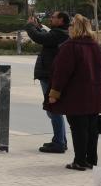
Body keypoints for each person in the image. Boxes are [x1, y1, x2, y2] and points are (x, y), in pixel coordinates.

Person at [44, 14, 101, 170]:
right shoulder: (96, 46)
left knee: (78, 128)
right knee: (92, 128)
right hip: (94, 94)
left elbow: (61, 73)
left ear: (75, 28)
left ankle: (79, 160)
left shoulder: (70, 47)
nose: (69, 29)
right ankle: (91, 159)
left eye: (71, 26)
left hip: (76, 96)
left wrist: (54, 93)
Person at [24, 11, 70, 154]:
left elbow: (39, 38)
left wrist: (30, 26)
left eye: (54, 17)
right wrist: (37, 27)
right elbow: (44, 36)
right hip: (48, 75)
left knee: (53, 109)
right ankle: (60, 139)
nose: (51, 19)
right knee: (53, 110)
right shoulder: (58, 33)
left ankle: (59, 142)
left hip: (50, 76)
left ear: (61, 20)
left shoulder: (60, 33)